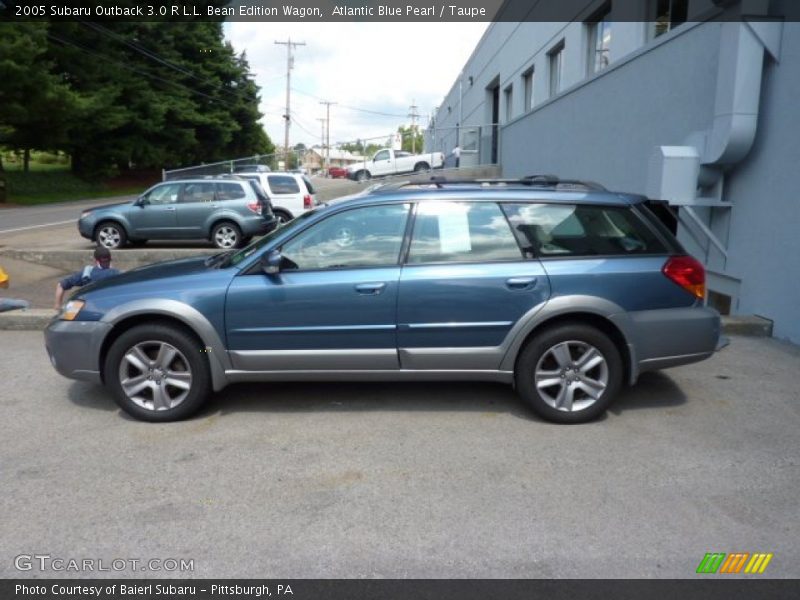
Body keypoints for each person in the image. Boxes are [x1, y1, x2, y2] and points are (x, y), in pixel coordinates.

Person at [54, 246, 120, 309]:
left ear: (95, 260)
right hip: (109, 308)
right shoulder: (116, 274)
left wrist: (58, 305)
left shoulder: (86, 273)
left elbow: (60, 285)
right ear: (110, 259)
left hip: (88, 308)